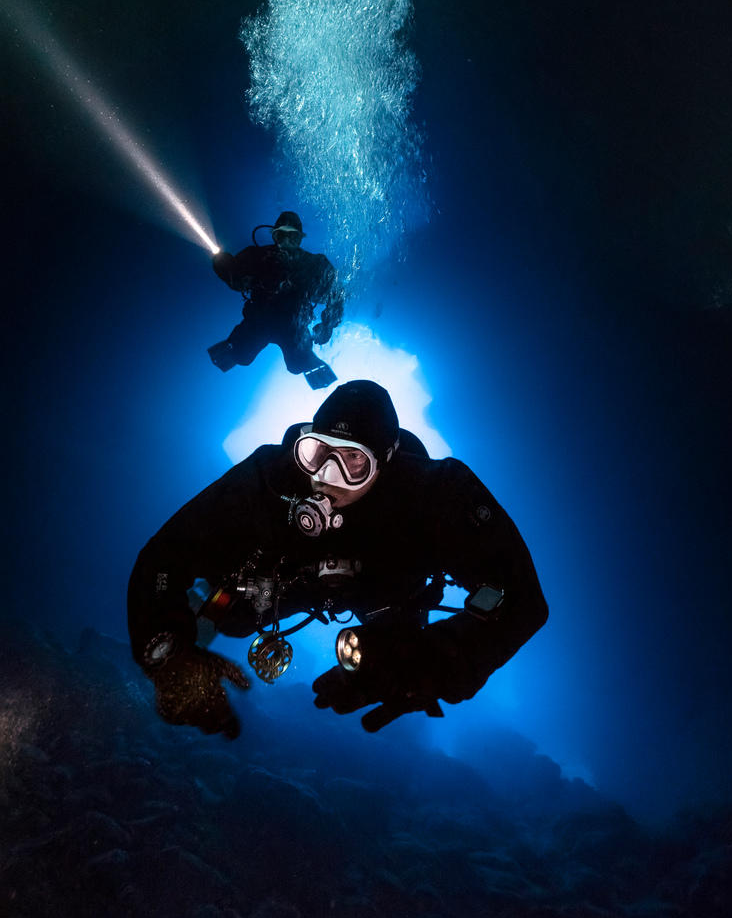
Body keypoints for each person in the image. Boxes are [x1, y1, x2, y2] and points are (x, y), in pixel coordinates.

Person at [127, 381, 548, 739]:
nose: (326, 477)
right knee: (233, 617)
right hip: (293, 580)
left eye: (353, 462)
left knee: (392, 659)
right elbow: (166, 554)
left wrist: (435, 665)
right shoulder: (268, 478)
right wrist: (165, 650)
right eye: (317, 453)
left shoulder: (433, 498)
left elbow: (522, 599)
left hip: (387, 593)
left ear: (386, 461)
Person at [208, 211, 344, 390]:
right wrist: (225, 267)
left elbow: (337, 294)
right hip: (259, 320)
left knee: (298, 364)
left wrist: (328, 325)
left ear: (300, 238)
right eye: (281, 235)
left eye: (292, 237)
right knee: (241, 354)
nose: (286, 243)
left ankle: (312, 367)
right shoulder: (257, 256)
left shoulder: (313, 264)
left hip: (293, 325)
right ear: (274, 235)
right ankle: (235, 352)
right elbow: (234, 274)